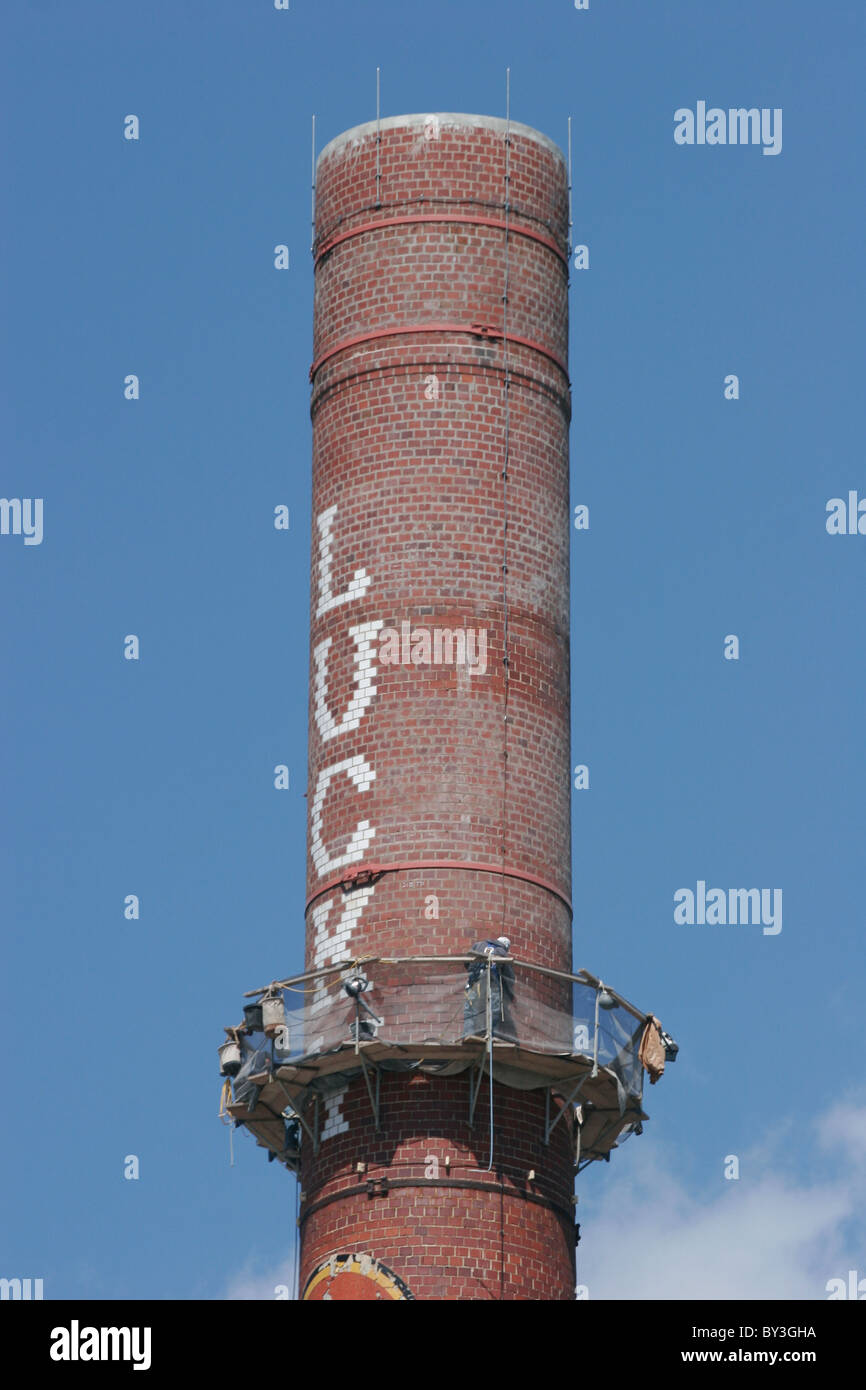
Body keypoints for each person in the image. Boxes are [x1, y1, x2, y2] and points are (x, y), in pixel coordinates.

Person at [463, 936, 515, 1040]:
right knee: (494, 1009)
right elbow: (509, 976)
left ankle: (468, 1034)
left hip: (474, 982)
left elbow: (467, 961)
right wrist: (509, 994)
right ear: (506, 946)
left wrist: (472, 971)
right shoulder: (502, 952)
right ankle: (491, 1034)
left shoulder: (479, 944)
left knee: (470, 1008)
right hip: (491, 983)